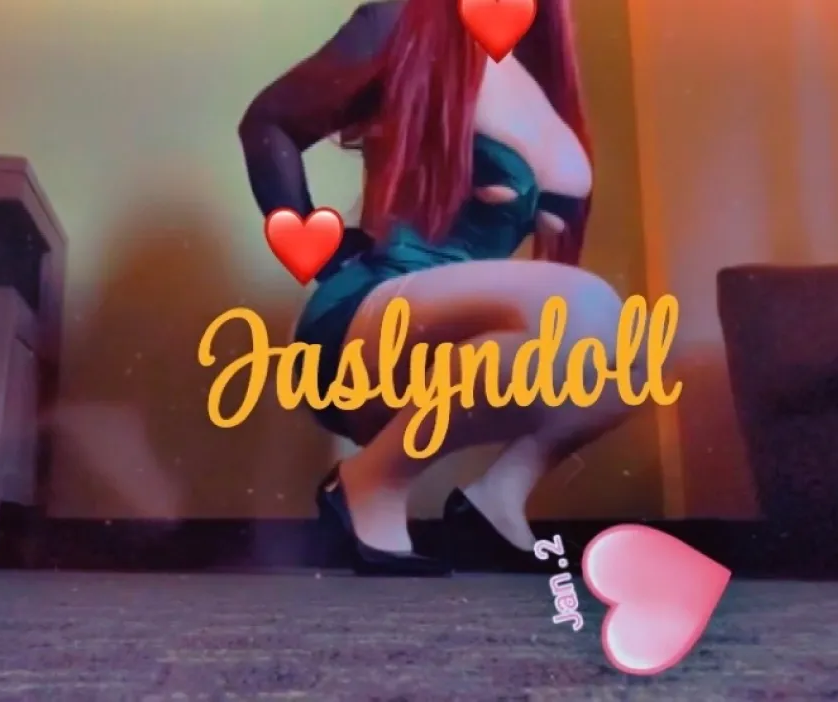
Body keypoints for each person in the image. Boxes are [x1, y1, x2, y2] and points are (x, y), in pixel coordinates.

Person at [238, 0, 643, 576]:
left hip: (453, 333)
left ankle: (496, 502)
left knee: (641, 356)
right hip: (366, 318)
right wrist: (321, 247)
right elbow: (268, 122)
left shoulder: (539, 75)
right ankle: (369, 483)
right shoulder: (401, 20)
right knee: (585, 305)